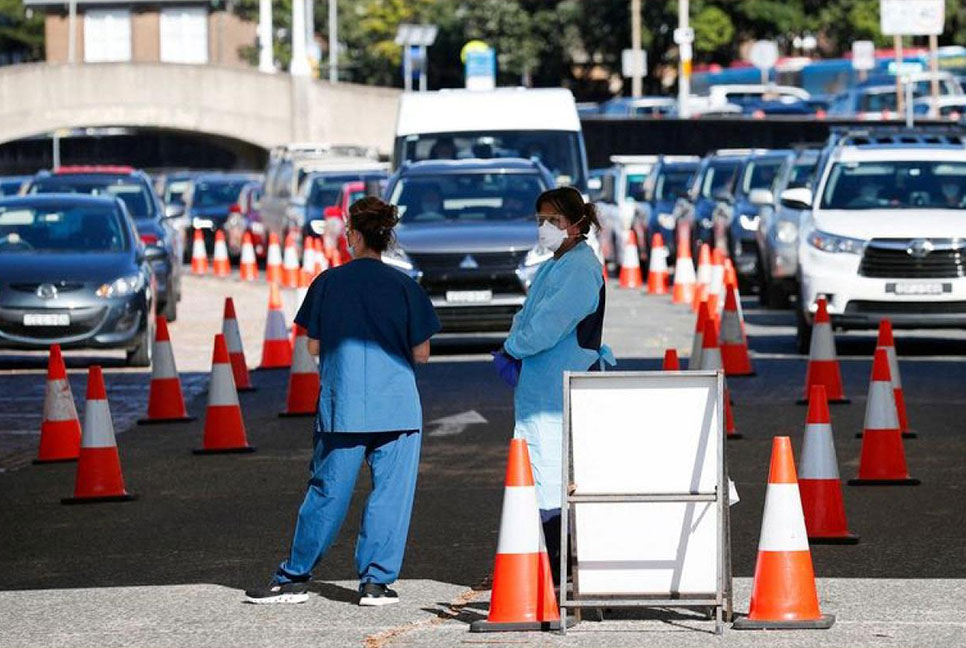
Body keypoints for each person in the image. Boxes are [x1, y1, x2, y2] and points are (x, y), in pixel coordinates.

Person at [246, 197, 441, 606]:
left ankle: (294, 578)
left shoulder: (328, 283)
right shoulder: (406, 286)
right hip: (398, 406)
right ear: (386, 237)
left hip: (344, 403)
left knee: (326, 492)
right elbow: (421, 353)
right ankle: (375, 584)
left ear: (353, 235)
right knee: (390, 495)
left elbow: (313, 344)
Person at [494, 187, 613, 586]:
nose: (545, 228)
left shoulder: (580, 267)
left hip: (559, 386)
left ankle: (562, 572)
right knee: (543, 471)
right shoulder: (553, 264)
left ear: (577, 225)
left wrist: (513, 346)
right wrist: (515, 343)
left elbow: (547, 324)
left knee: (554, 476)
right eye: (540, 220)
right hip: (541, 383)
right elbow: (527, 315)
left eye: (554, 221)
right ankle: (553, 567)